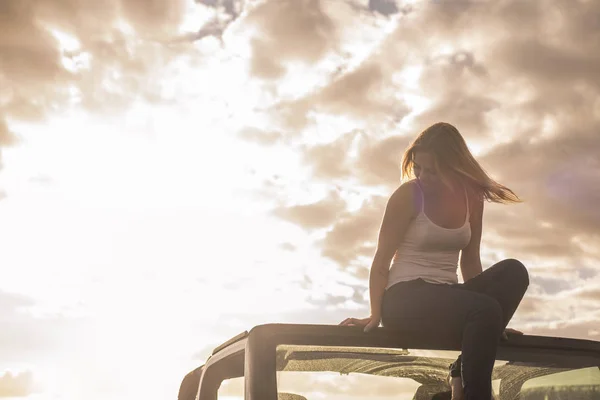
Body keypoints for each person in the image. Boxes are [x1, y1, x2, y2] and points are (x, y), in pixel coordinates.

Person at [339, 122, 529, 400]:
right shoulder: (409, 195)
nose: (423, 175)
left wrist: (495, 320)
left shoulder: (471, 197)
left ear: (453, 167)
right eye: (418, 167)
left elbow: (471, 257)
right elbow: (381, 260)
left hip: (448, 296)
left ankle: (461, 366)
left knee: (515, 272)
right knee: (485, 310)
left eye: (432, 170)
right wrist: (375, 314)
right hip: (403, 298)